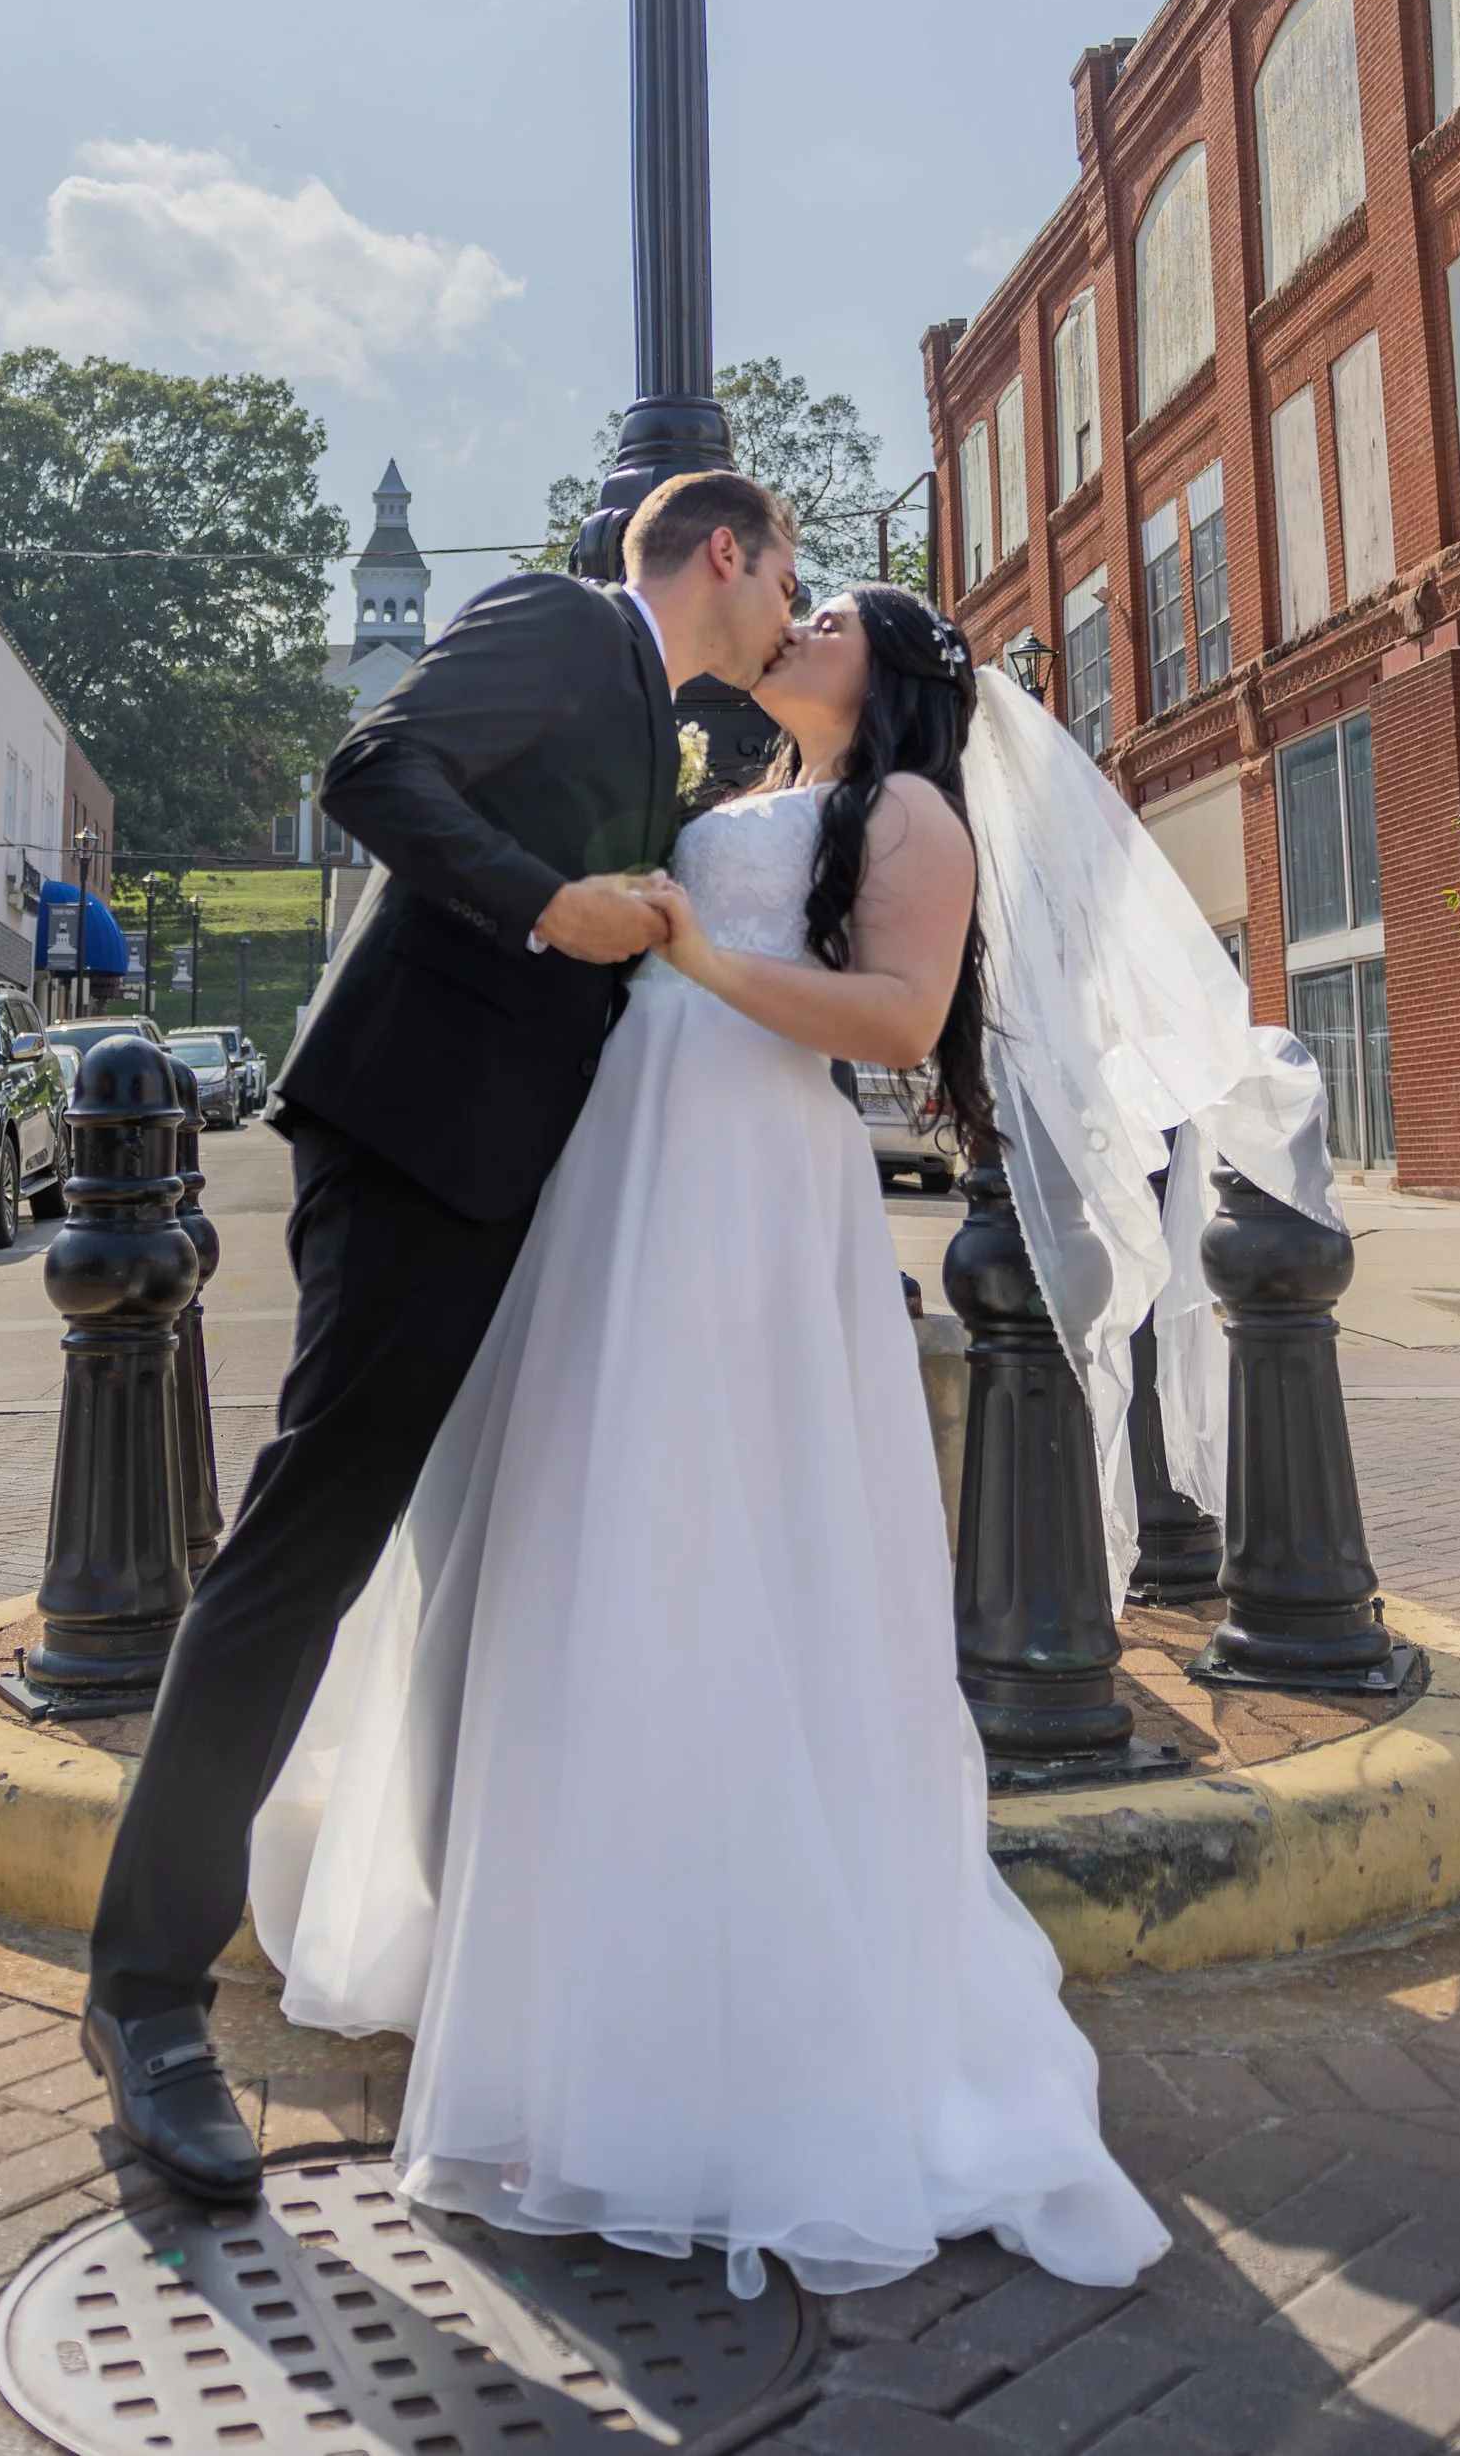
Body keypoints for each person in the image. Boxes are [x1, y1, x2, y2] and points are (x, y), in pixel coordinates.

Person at [250, 584, 1168, 2299]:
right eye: (794, 591)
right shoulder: (726, 794)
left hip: (746, 1196)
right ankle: (585, 2011)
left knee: (724, 1545)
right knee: (591, 1555)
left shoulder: (902, 810)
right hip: (618, 1177)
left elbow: (899, 1024)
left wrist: (690, 949)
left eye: (827, 609)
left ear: (884, 668)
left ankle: (745, 2037)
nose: (798, 615)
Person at [79, 469, 802, 2203]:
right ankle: (144, 1995)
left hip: (522, 1184)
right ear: (728, 552)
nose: (794, 608)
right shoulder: (559, 621)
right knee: (300, 1550)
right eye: (790, 576)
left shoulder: (664, 715)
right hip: (416, 1145)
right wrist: (550, 902)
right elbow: (369, 767)